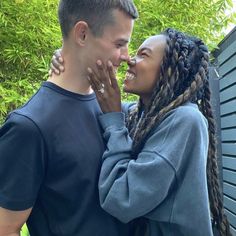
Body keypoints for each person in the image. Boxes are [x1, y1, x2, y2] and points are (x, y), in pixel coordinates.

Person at [52, 28, 232, 235]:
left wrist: (115, 125)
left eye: (143, 54)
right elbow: (96, 104)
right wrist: (70, 59)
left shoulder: (185, 120)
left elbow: (121, 198)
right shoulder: (140, 113)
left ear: (169, 70)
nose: (129, 59)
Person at [0, 1, 138, 236]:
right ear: (82, 33)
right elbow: (6, 228)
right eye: (119, 44)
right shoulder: (29, 127)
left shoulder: (112, 109)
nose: (126, 56)